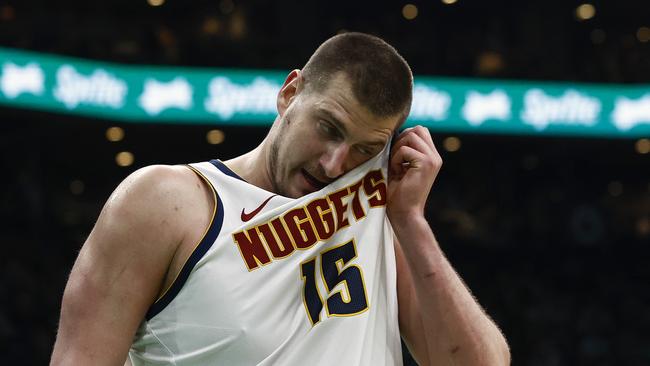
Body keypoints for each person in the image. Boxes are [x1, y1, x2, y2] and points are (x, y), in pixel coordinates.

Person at [50, 32, 510, 365]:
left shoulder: (378, 216)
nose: (334, 163)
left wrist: (411, 221)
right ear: (290, 93)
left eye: (364, 150)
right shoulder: (167, 202)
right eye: (328, 128)